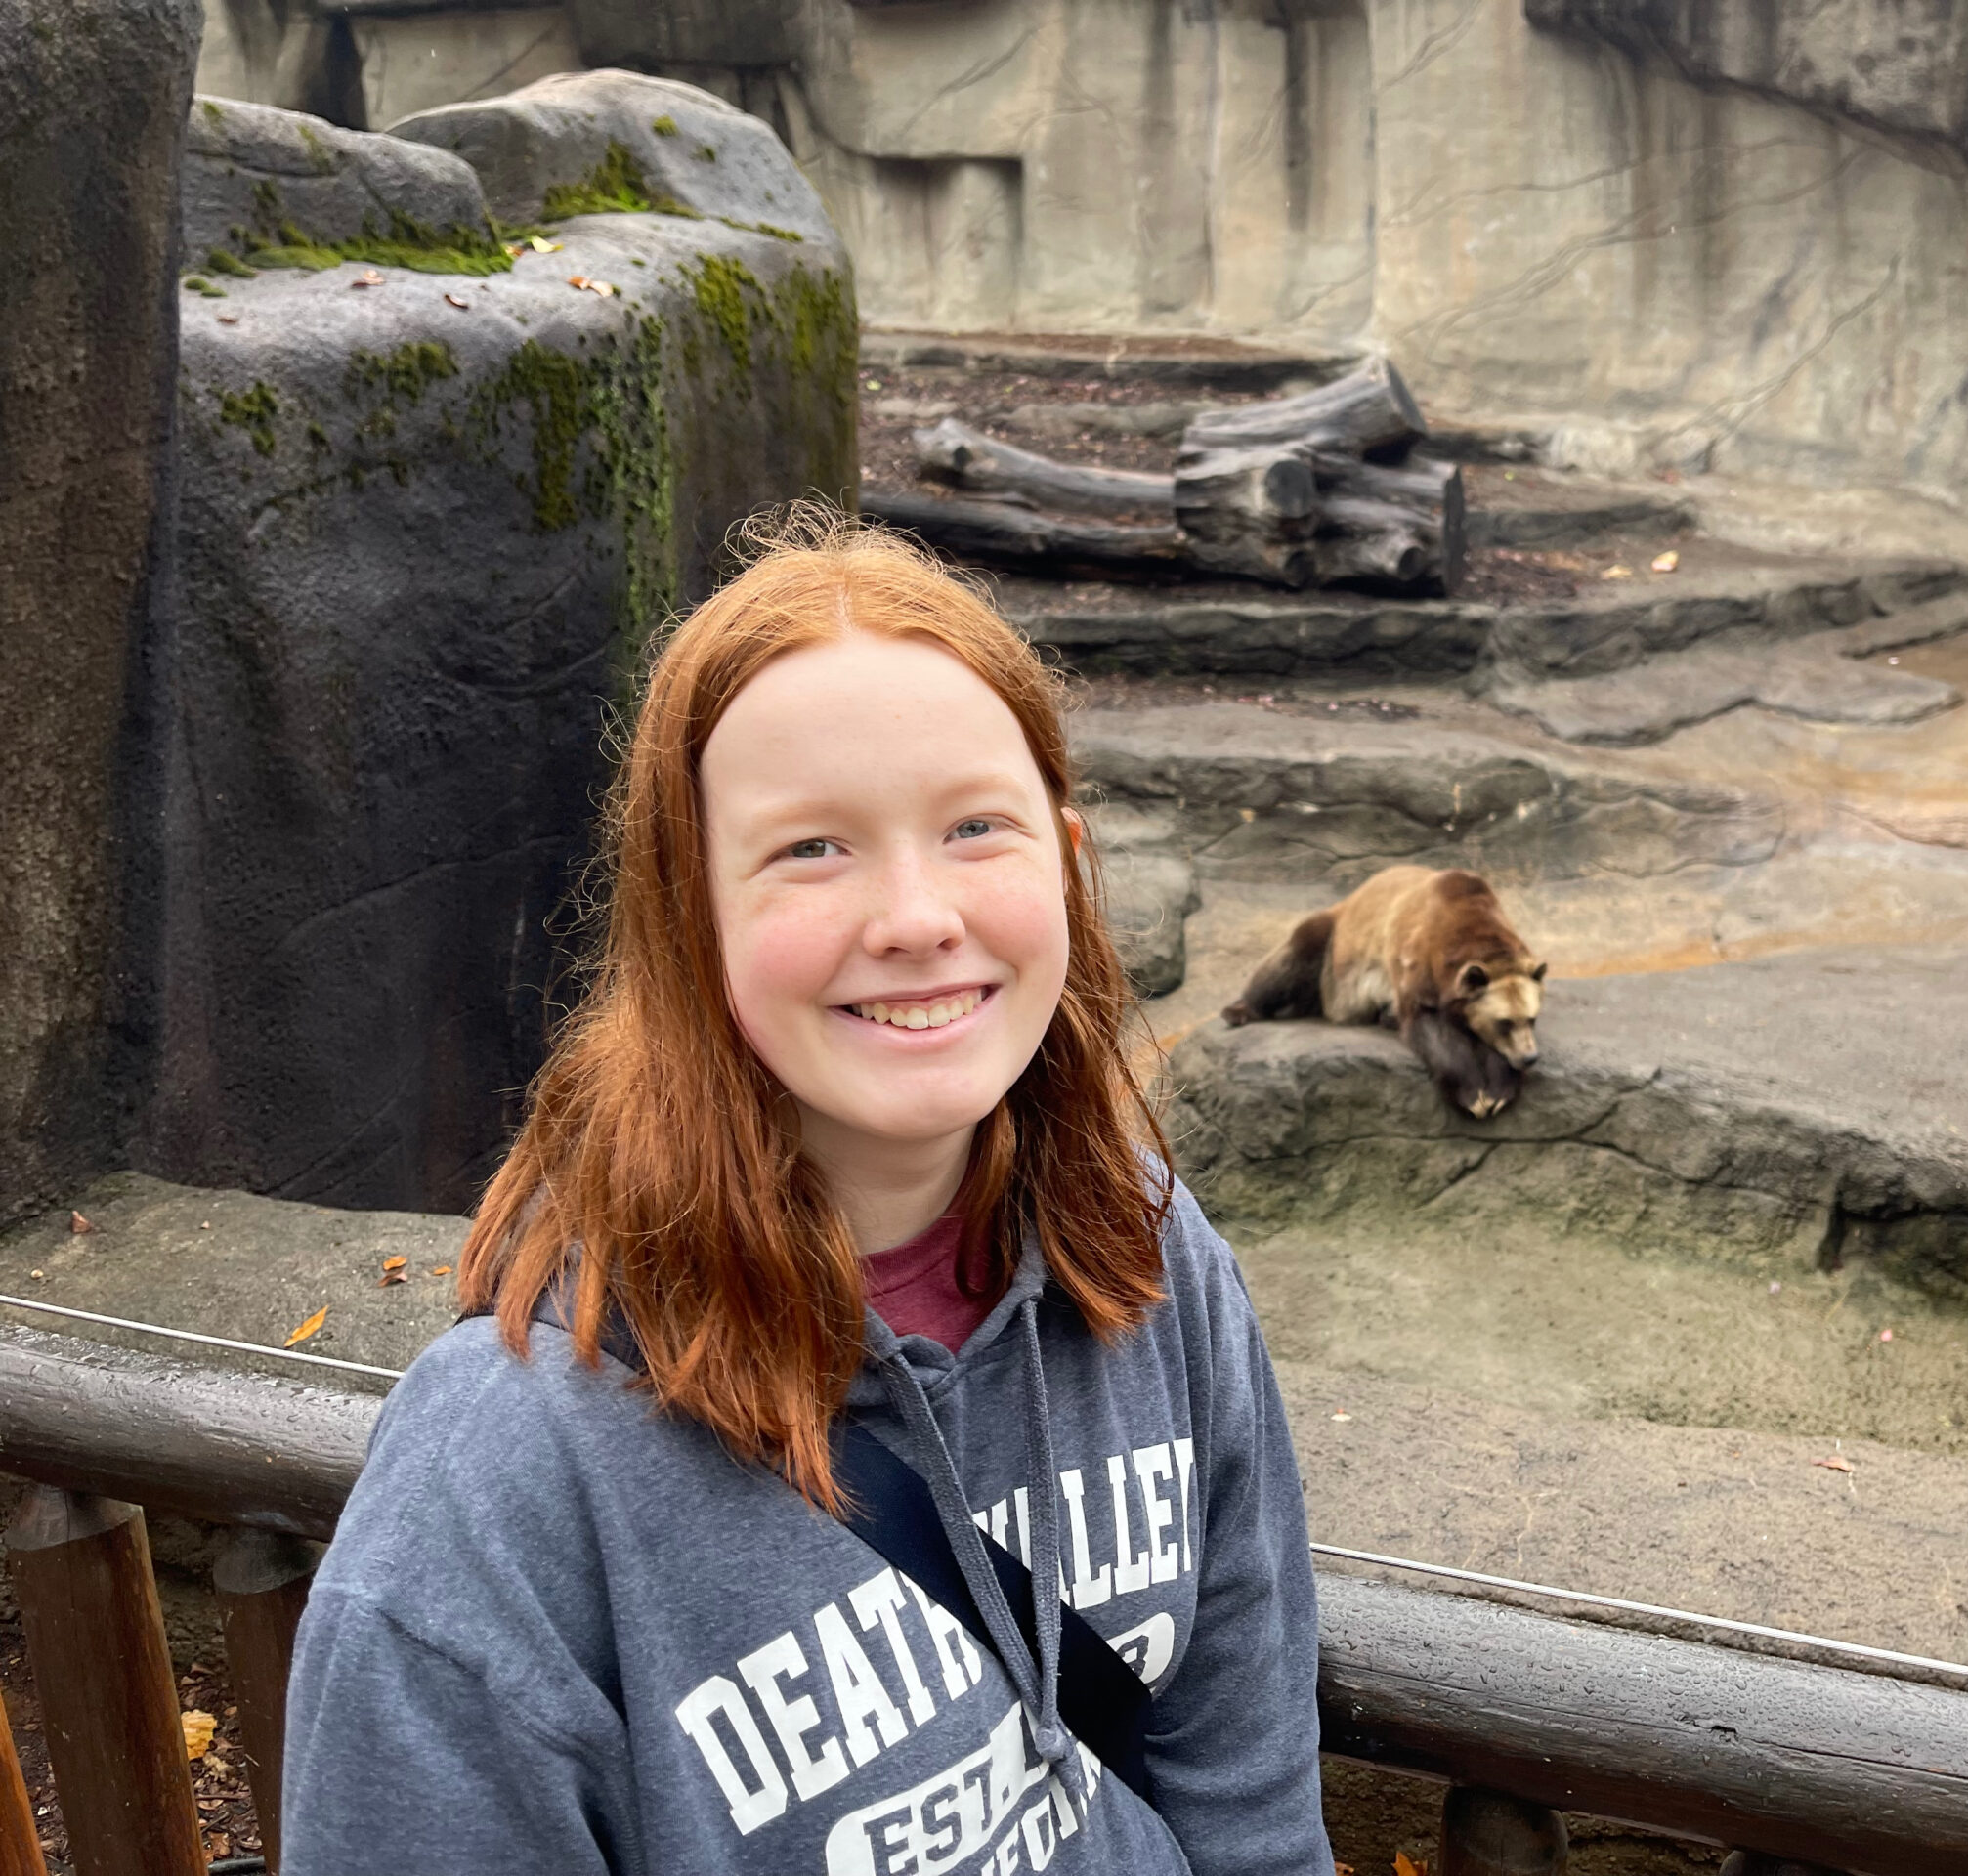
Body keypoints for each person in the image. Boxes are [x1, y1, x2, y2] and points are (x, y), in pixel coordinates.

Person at [281, 512, 1334, 1875]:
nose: (914, 915)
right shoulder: (503, 1490)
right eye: (812, 850)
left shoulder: (1142, 1250)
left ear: (1063, 860)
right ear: (687, 913)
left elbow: (1247, 1807)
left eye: (975, 826)